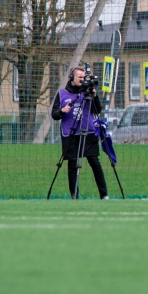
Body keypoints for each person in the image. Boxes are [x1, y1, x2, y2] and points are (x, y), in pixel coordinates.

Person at [50, 66, 108, 199]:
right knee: (72, 164)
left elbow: (97, 110)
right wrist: (61, 111)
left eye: (84, 77)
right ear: (72, 78)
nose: (82, 80)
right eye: (79, 77)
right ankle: (74, 196)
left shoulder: (88, 93)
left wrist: (94, 96)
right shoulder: (62, 94)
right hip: (70, 134)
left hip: (88, 133)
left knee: (94, 162)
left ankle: (104, 195)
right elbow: (54, 114)